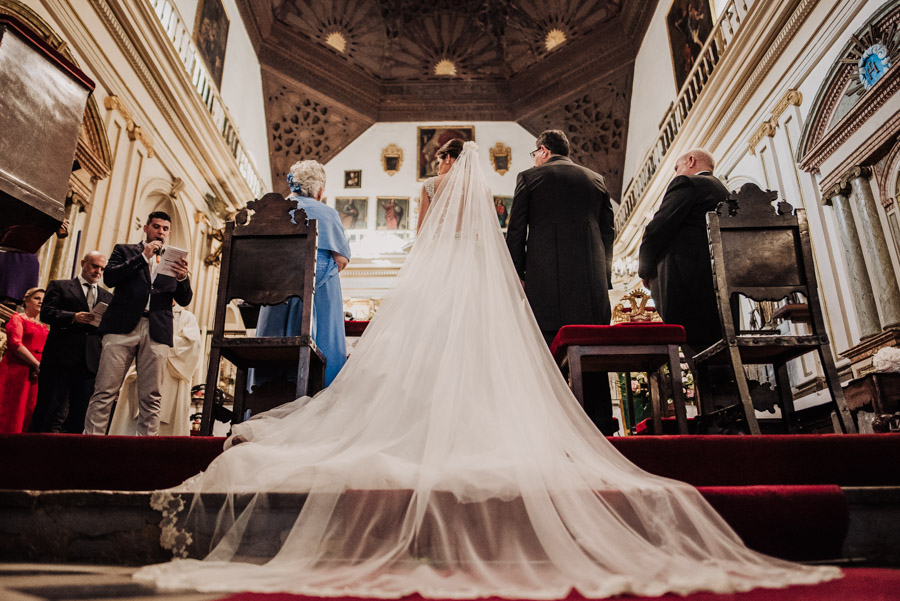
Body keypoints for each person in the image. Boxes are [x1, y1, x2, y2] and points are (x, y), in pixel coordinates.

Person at [137, 142, 838, 598]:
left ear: (441, 168)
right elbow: (527, 241)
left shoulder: (445, 196)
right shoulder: (548, 190)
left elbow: (465, 240)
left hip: (439, 284)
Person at [506, 129, 617, 435]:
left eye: (534, 154)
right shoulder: (596, 180)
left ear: (542, 151)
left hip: (545, 285)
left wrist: (519, 275)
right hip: (590, 287)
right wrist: (603, 278)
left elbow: (516, 232)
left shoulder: (530, 178)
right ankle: (600, 429)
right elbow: (608, 234)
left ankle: (550, 431)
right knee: (592, 354)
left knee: (548, 359)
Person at [637, 148, 735, 413]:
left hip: (689, 290)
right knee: (720, 360)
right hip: (723, 293)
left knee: (699, 356)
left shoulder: (688, 183)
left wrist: (644, 270)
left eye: (677, 167)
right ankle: (728, 412)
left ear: (691, 162)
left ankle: (715, 417)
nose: (676, 174)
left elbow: (658, 228)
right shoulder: (726, 193)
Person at [83, 212, 192, 436]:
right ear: (146, 228)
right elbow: (110, 278)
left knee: (151, 396)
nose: (160, 232)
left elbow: (185, 299)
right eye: (156, 227)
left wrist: (182, 278)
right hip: (122, 326)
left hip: (156, 329)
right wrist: (143, 257)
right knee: (105, 390)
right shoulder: (125, 251)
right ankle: (91, 443)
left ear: (168, 233)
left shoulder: (173, 260)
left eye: (164, 228)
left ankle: (146, 447)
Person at [250, 160, 350, 389]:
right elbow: (341, 259)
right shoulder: (327, 214)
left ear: (292, 187)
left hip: (276, 299)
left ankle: (265, 394)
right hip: (317, 299)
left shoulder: (273, 212)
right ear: (320, 191)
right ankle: (320, 391)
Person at [30, 251, 112, 433]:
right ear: (83, 263)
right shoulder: (61, 286)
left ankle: (70, 455)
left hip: (90, 361)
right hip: (60, 358)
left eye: (102, 268)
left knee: (80, 413)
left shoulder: (107, 297)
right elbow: (46, 313)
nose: (98, 271)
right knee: (49, 408)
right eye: (94, 266)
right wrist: (73, 317)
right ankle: (35, 451)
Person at [108, 303, 202, 436]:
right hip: (142, 370)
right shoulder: (143, 313)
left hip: (171, 374)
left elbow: (191, 346)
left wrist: (158, 343)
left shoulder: (186, 317)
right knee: (134, 421)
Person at [0, 287, 48, 433]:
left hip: (34, 375)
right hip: (16, 370)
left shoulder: (44, 327)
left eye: (43, 300)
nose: (41, 302)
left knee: (29, 410)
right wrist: (37, 364)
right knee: (12, 408)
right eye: (37, 298)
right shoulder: (18, 318)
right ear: (26, 300)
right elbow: (15, 344)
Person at [417, 138, 462, 230]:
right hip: (471, 244)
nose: (438, 170)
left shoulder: (430, 184)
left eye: (439, 162)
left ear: (448, 158)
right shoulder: (482, 187)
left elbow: (421, 228)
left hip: (439, 243)